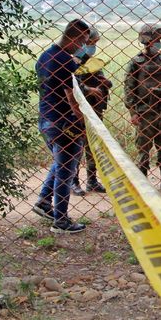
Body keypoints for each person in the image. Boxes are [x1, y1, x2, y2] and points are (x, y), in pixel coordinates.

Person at [33, 19, 91, 233]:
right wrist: (83, 120)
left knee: (60, 164)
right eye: (83, 41)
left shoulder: (45, 56)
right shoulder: (64, 61)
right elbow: (71, 97)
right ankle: (61, 220)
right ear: (74, 37)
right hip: (64, 123)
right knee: (67, 170)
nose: (83, 45)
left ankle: (44, 202)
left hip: (46, 119)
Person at [124, 24, 161, 192]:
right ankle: (142, 183)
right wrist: (133, 112)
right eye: (155, 41)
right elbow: (129, 89)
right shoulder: (136, 63)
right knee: (144, 149)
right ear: (146, 41)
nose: (157, 44)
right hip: (144, 113)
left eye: (159, 41)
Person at [72, 26, 112, 195]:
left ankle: (92, 181)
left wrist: (105, 83)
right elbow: (71, 84)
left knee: (93, 147)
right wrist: (90, 90)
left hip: (95, 110)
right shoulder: (70, 62)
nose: (92, 47)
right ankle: (73, 182)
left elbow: (100, 80)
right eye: (90, 43)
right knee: (76, 147)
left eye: (95, 43)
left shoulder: (91, 61)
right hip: (77, 111)